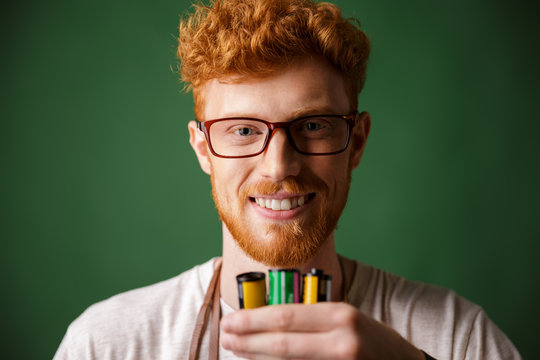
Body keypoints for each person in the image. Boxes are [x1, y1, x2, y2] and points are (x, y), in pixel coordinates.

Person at [54, 0, 521, 359]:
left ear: (356, 142)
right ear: (202, 148)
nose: (279, 167)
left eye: (313, 125)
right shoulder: (106, 343)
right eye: (242, 130)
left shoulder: (459, 336)